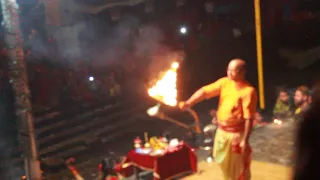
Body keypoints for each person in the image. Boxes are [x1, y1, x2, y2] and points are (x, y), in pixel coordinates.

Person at [179, 59, 257, 180]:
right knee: (221, 160)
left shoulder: (248, 91)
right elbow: (204, 92)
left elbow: (249, 118)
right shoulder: (224, 82)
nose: (229, 73)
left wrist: (245, 141)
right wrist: (189, 102)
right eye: (228, 69)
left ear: (242, 72)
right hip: (222, 132)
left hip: (235, 136)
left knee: (236, 167)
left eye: (233, 70)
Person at [294, 82, 320, 180]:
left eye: (298, 95)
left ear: (305, 97)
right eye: (295, 95)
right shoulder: (298, 112)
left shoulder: (309, 116)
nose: (295, 98)